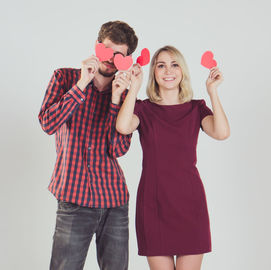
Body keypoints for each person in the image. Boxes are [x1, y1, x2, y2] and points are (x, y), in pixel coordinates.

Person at [116, 46, 230, 270]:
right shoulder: (143, 109)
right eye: (161, 65)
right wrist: (134, 88)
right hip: (154, 203)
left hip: (190, 204)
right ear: (154, 73)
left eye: (174, 64)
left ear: (182, 71)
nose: (168, 70)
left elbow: (222, 132)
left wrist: (212, 92)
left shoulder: (196, 108)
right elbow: (122, 126)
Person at [38, 20, 138, 270]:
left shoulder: (125, 95)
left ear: (127, 59)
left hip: (114, 201)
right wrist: (82, 83)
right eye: (106, 50)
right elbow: (48, 124)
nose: (110, 59)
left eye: (119, 55)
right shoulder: (65, 77)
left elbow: (118, 149)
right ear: (97, 47)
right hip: (73, 198)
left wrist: (116, 99)